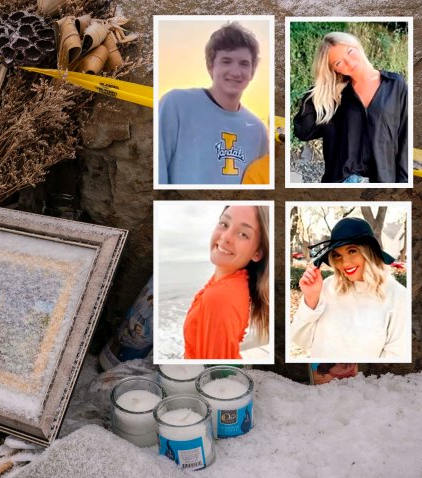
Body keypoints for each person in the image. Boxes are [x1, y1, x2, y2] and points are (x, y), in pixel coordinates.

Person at [158, 22, 269, 185]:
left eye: (244, 63)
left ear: (252, 71)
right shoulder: (176, 104)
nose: (235, 72)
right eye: (226, 61)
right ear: (211, 66)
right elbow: (158, 173)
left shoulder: (258, 129)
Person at [293, 31, 408, 183]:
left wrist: (402, 184)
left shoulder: (395, 84)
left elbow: (405, 137)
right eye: (338, 63)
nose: (350, 63)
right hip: (342, 181)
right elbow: (304, 131)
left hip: (383, 181)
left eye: (350, 52)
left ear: (357, 46)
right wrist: (322, 85)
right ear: (334, 70)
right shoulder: (336, 95)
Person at [291, 217, 409, 359]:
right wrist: (311, 299)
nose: (345, 263)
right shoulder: (326, 287)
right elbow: (301, 341)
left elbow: (395, 358)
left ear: (369, 252)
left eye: (352, 251)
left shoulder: (398, 296)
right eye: (337, 255)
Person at [183, 205, 270, 359]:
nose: (225, 237)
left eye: (243, 234)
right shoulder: (232, 280)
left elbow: (214, 372)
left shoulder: (221, 296)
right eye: (224, 224)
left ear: (257, 253)